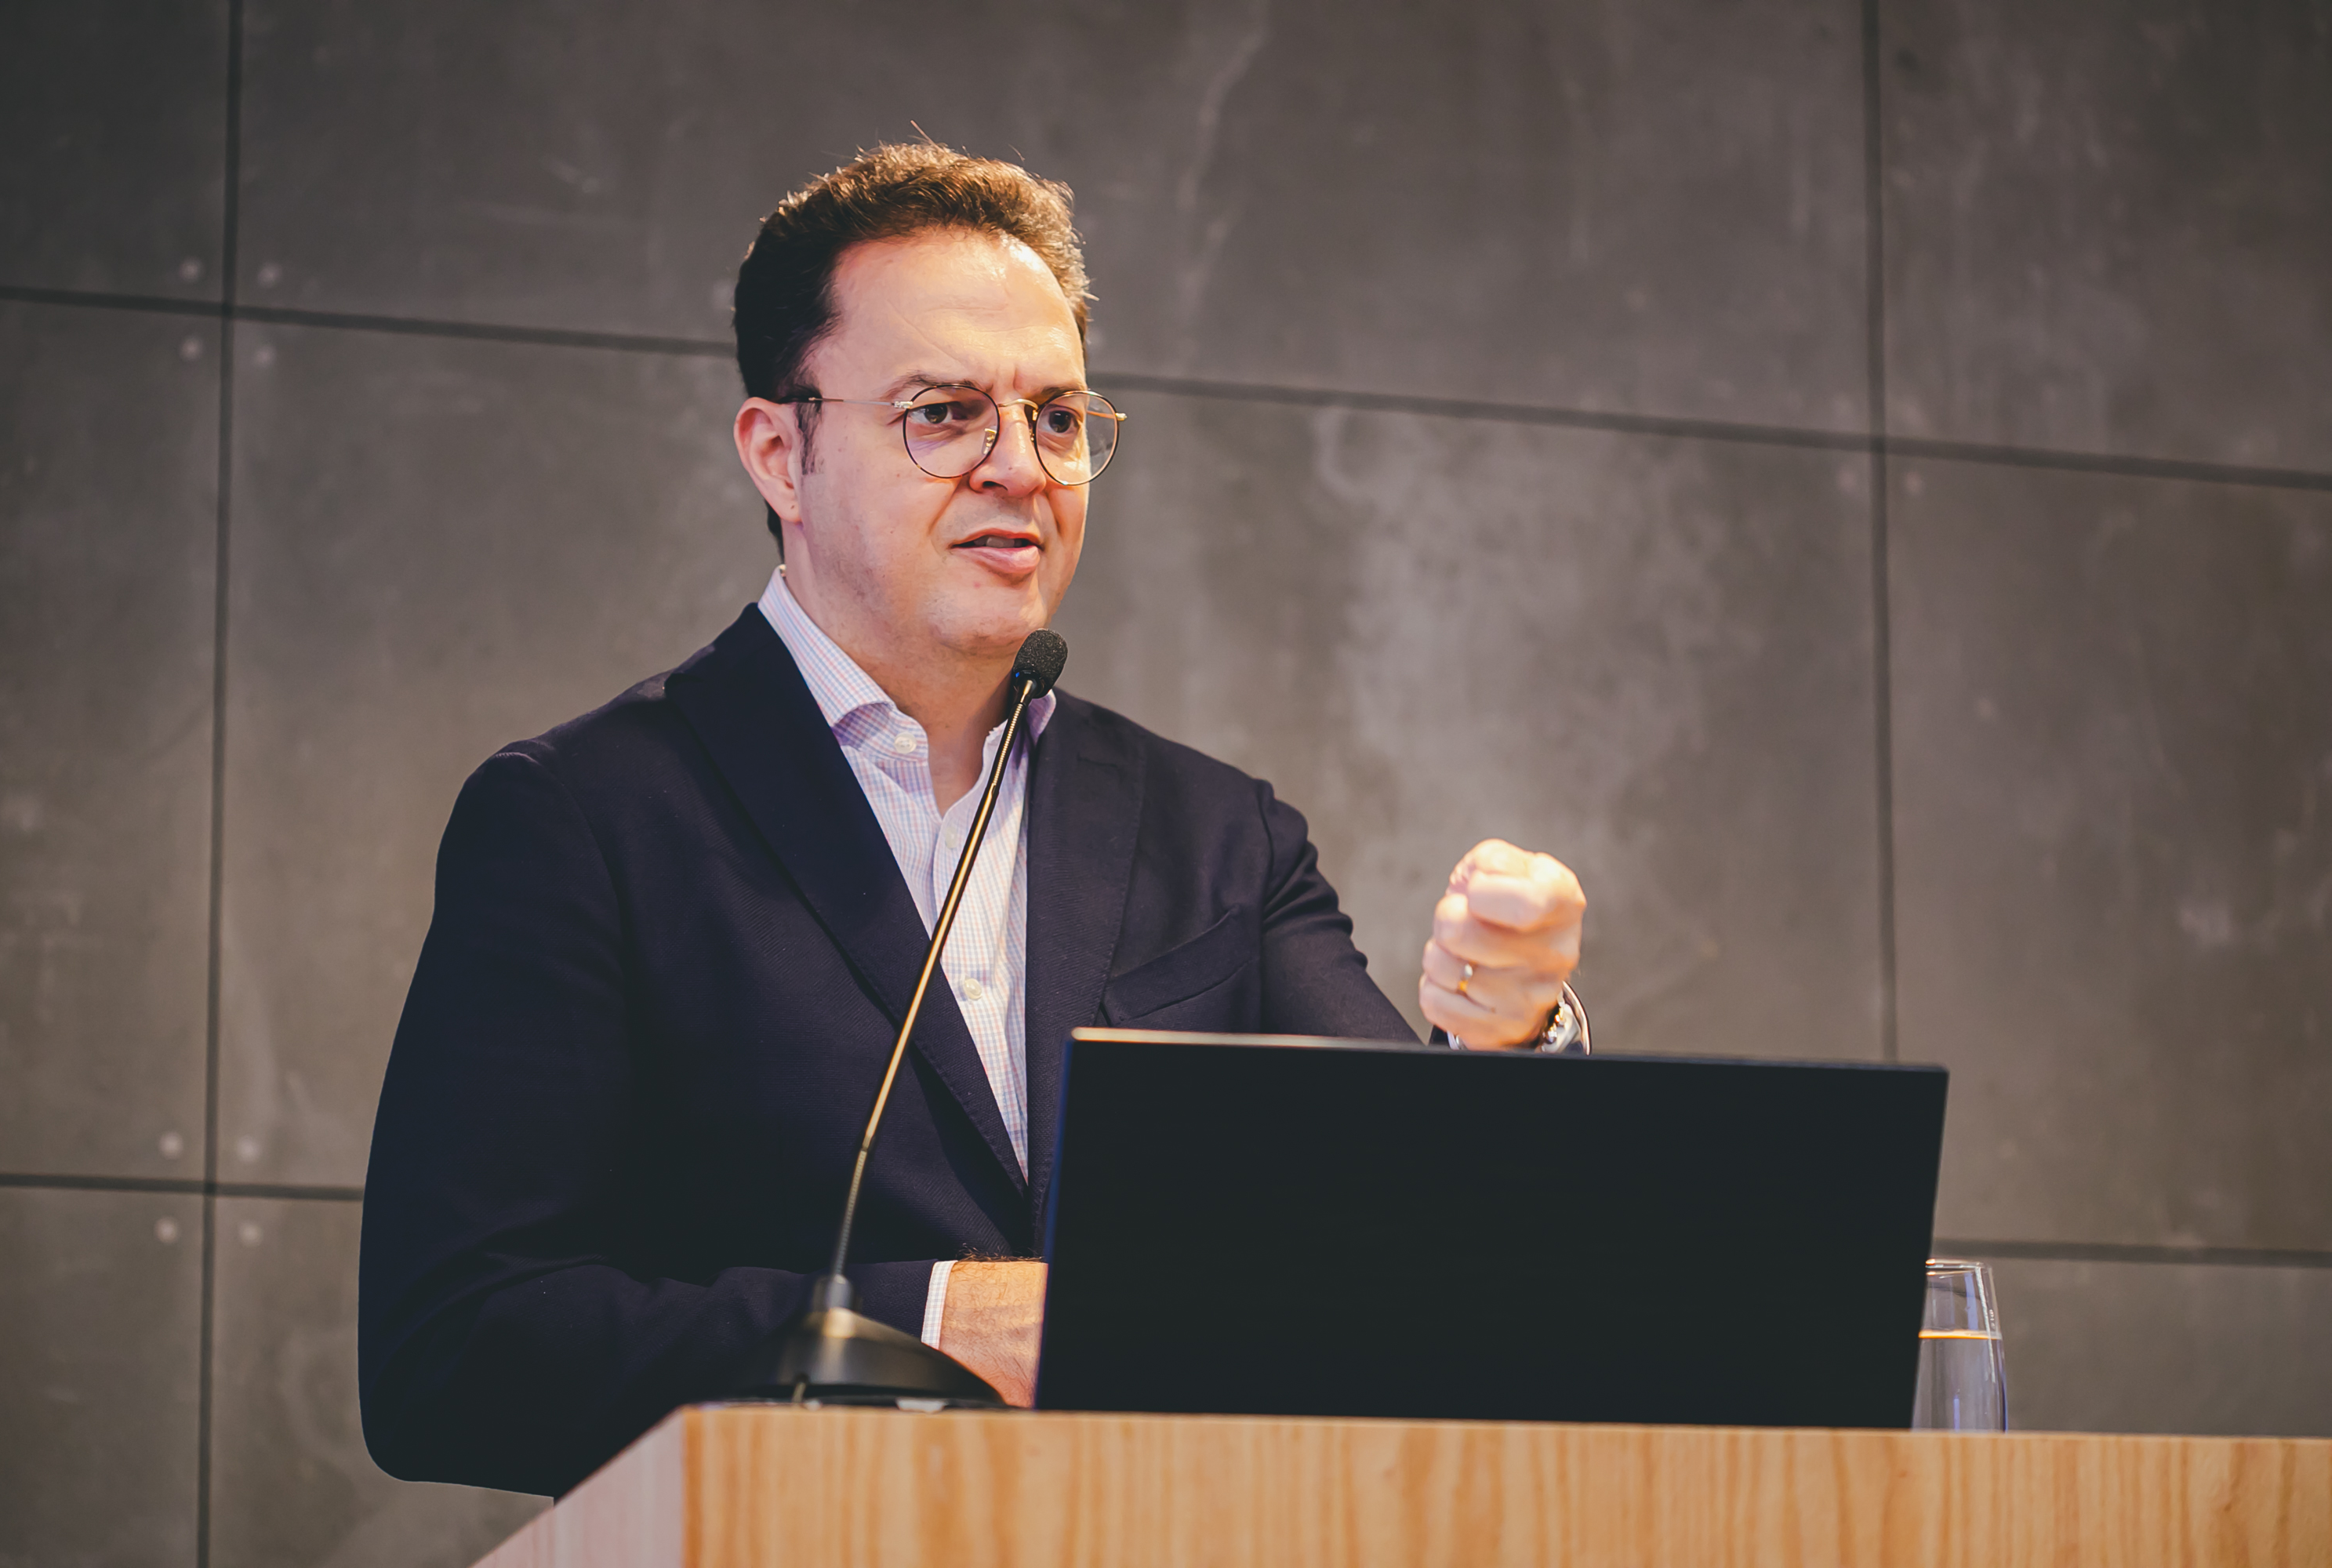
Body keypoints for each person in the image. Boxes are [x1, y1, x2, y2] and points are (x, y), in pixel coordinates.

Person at [358, 142, 1586, 1498]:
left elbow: (1423, 1251)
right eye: (944, 413)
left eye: (1057, 417)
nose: (1021, 467)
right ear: (780, 452)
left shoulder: (1220, 837)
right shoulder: (586, 820)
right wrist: (930, 1322)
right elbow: (454, 1348)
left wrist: (1502, 1036)